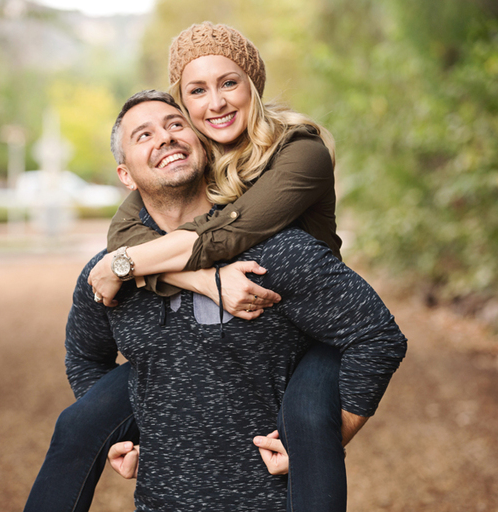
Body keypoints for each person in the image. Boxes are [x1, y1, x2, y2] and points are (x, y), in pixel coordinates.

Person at [24, 22, 354, 512]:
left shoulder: (299, 151)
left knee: (308, 425)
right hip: (210, 329)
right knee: (76, 424)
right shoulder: (202, 157)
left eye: (229, 83)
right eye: (197, 91)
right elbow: (125, 235)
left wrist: (127, 266)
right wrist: (204, 281)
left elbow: (226, 236)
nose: (215, 102)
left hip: (311, 328)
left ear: (253, 87)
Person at [68, 90, 406, 511]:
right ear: (126, 175)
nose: (165, 137)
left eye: (176, 125)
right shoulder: (111, 273)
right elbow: (84, 356)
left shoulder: (278, 252)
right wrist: (120, 435)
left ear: (203, 147)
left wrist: (324, 441)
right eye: (144, 135)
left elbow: (377, 336)